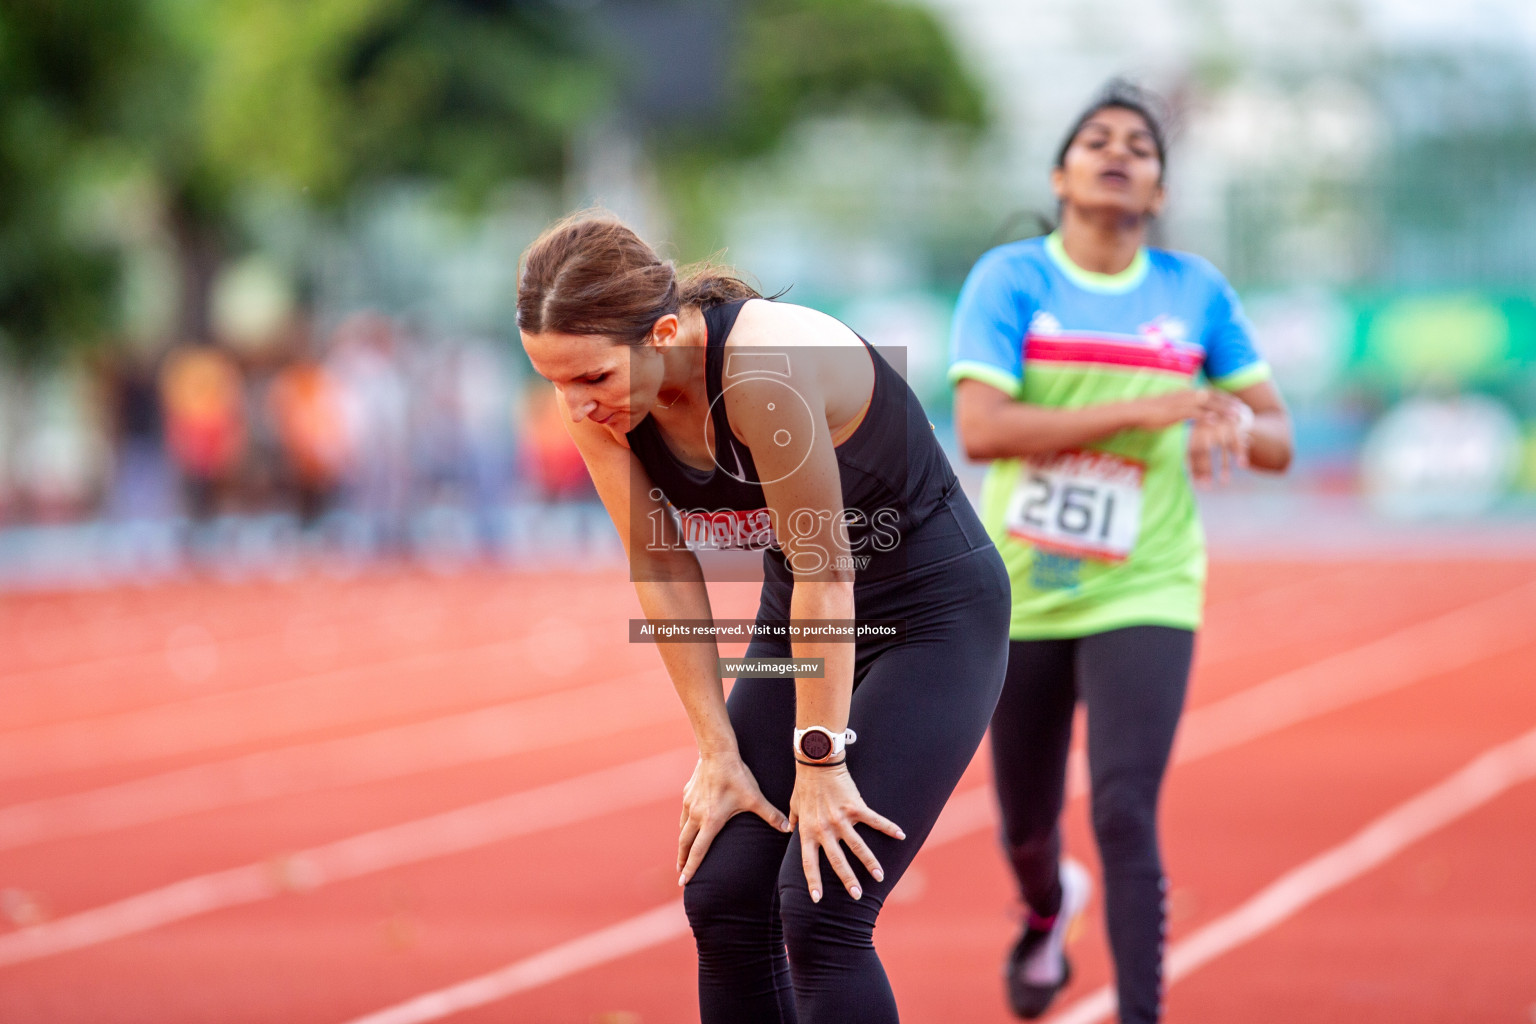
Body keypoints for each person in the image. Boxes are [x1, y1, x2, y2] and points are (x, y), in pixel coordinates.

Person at [518, 213, 1010, 1024]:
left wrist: (820, 762)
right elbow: (665, 567)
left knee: (822, 907)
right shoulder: (596, 407)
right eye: (554, 383)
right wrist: (717, 752)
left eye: (594, 378)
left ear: (665, 331)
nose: (576, 406)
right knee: (723, 893)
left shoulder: (765, 369)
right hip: (802, 622)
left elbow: (827, 571)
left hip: (932, 616)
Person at [948, 82, 1294, 1023]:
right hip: (1021, 584)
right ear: (1060, 174)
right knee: (1025, 819)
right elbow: (981, 428)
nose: (1118, 152)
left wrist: (1226, 416)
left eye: (1140, 146)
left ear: (1160, 190)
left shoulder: (1194, 291)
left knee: (1123, 808)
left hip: (1148, 579)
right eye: (1096, 140)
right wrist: (1145, 408)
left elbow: (1277, 440)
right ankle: (1043, 906)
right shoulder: (1013, 279)